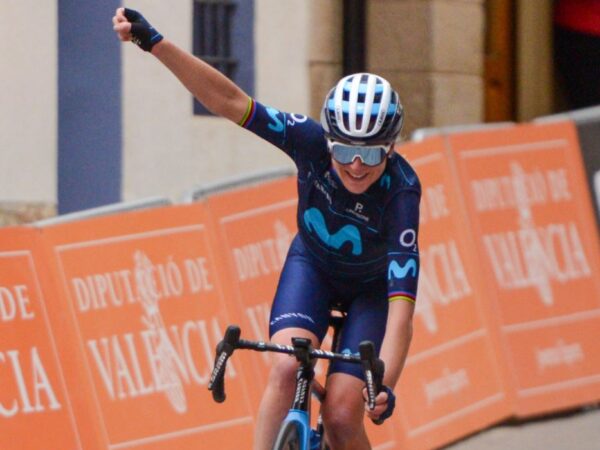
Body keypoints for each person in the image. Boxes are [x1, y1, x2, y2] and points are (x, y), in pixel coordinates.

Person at [113, 8, 420, 450]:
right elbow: (230, 101)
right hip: (313, 267)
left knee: (341, 414)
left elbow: (402, 308)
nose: (356, 165)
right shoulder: (309, 141)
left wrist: (383, 384)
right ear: (328, 140)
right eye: (344, 151)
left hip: (370, 291)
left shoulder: (402, 190)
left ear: (390, 149)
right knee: (284, 368)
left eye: (371, 154)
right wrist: (156, 43)